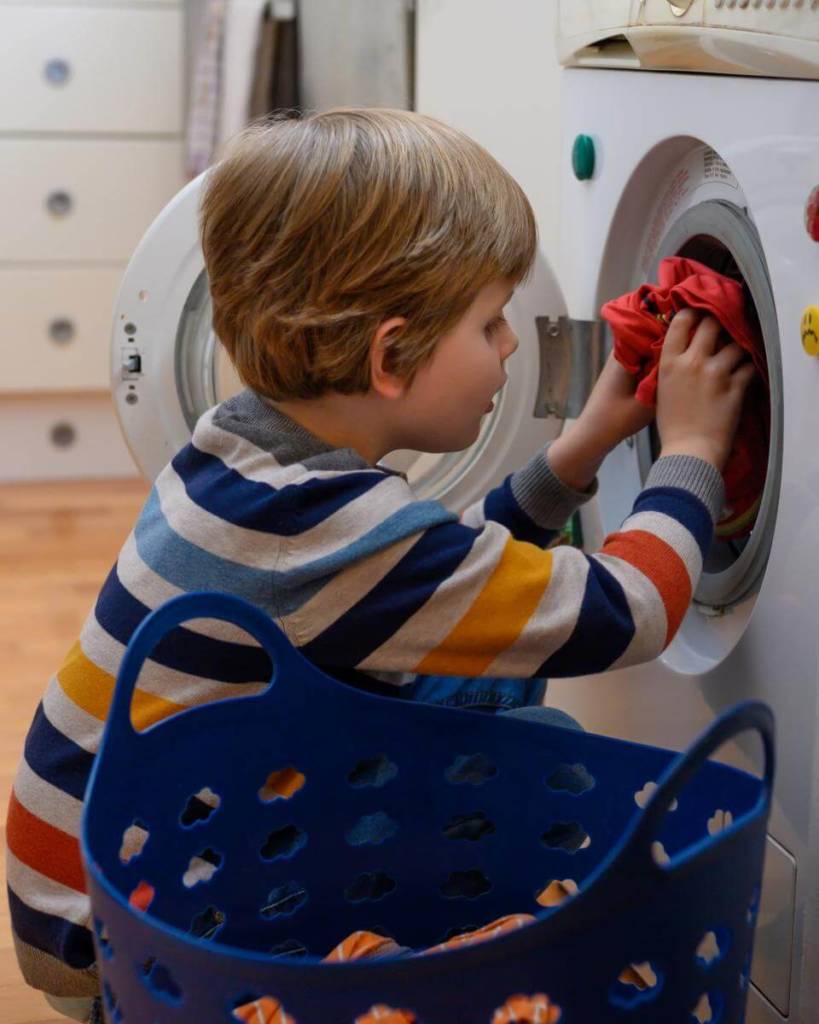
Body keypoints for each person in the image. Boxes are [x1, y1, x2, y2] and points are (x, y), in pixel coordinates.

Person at [6, 108, 754, 1022]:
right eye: (490, 324)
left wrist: (582, 448)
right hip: (163, 921)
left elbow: (431, 585)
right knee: (518, 750)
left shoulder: (244, 458)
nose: (513, 347)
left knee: (496, 695)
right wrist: (693, 451)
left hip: (109, 868)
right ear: (390, 355)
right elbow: (626, 612)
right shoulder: (321, 528)